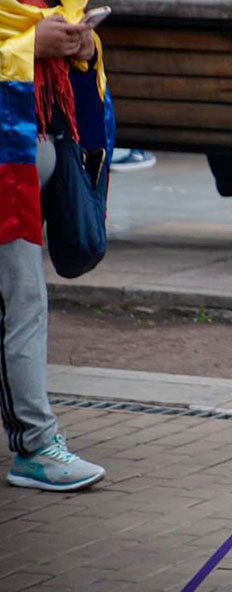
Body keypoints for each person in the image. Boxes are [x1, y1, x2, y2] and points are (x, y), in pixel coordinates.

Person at [0, 0, 109, 490]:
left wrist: (81, 47)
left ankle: (37, 442)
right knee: (21, 301)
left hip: (27, 156)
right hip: (10, 167)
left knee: (21, 300)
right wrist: (29, 45)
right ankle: (37, 445)